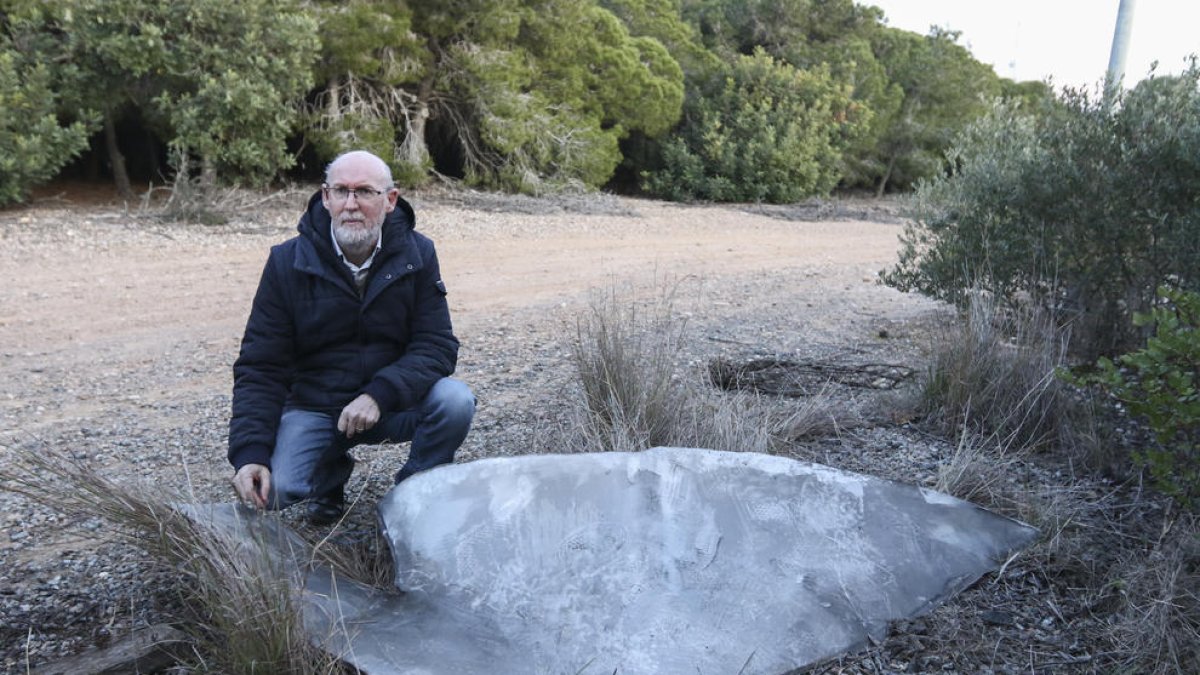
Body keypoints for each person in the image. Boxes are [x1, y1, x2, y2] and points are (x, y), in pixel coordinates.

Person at [228, 150, 475, 524]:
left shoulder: (417, 253)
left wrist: (379, 394)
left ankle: (412, 499)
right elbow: (261, 365)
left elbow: (437, 344)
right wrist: (249, 454)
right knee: (273, 491)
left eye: (364, 192)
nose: (351, 204)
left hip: (389, 404)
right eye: (341, 191)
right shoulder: (286, 261)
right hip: (315, 406)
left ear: (390, 200)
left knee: (454, 400)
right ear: (325, 197)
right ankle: (329, 474)